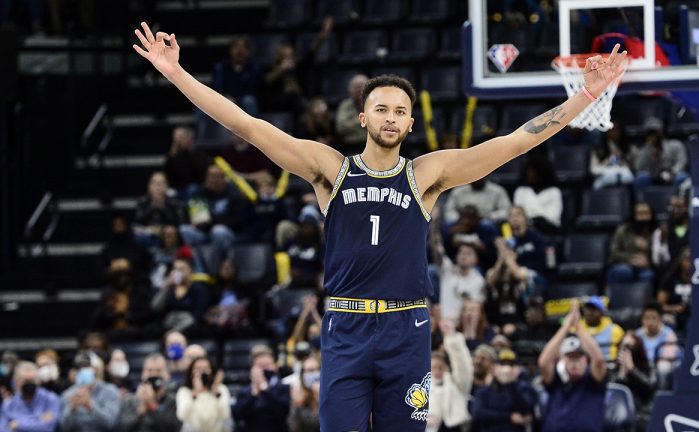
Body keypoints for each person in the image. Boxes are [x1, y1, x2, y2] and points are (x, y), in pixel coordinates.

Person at [132, 25, 627, 429]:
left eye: (401, 112)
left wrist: (587, 94)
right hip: (346, 327)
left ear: (411, 124)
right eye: (382, 109)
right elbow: (247, 126)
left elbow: (515, 143)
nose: (391, 118)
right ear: (363, 116)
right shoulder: (329, 166)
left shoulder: (427, 175)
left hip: (407, 327)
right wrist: (177, 74)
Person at [538, 300, 608, 432]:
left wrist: (578, 327)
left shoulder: (593, 382)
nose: (574, 362)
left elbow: (598, 360)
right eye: (570, 357)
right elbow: (543, 362)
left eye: (578, 357)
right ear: (562, 360)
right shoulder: (556, 382)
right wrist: (566, 326)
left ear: (586, 361)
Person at [180, 164, 244, 260]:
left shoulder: (233, 195)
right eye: (210, 176)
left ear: (224, 178)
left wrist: (210, 220)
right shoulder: (199, 193)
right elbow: (199, 220)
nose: (212, 180)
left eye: (216, 176)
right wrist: (202, 222)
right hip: (204, 233)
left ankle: (223, 262)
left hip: (226, 233)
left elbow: (236, 221)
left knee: (218, 231)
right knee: (184, 229)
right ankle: (197, 265)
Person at [471, 350, 535, 432]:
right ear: (495, 367)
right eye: (502, 364)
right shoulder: (483, 392)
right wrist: (509, 417)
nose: (506, 369)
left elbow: (527, 413)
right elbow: (478, 414)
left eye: (511, 365)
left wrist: (512, 382)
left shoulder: (524, 390)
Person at [426, 320, 473, 432]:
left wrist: (452, 338)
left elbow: (462, 364)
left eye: (440, 367)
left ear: (448, 368)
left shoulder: (457, 383)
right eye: (434, 368)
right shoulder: (423, 388)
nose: (437, 371)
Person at [117, 353, 182, 432]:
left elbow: (173, 428)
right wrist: (140, 411)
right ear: (142, 374)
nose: (154, 374)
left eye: (159, 370)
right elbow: (123, 428)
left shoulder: (174, 401)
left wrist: (152, 406)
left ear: (167, 375)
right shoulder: (129, 400)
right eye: (149, 370)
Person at [232, 347, 291, 432]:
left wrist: (266, 390)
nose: (264, 370)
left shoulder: (284, 388)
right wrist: (253, 395)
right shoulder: (244, 391)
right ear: (252, 368)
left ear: (275, 366)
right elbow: (237, 415)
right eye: (260, 366)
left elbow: (283, 412)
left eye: (267, 365)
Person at [59, 352, 121, 432]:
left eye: (87, 366)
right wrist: (72, 409)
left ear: (96, 369)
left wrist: (90, 405)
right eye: (79, 367)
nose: (83, 370)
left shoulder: (110, 391)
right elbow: (64, 428)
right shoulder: (68, 394)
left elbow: (111, 424)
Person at [612, 332, 657, 431]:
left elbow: (649, 388)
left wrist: (632, 370)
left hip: (642, 411)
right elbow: (611, 394)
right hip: (618, 412)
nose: (626, 350)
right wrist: (622, 374)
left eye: (630, 346)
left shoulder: (648, 365)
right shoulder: (613, 369)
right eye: (623, 346)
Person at [606, 201, 657, 284]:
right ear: (634, 215)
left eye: (646, 213)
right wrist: (632, 258)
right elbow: (614, 253)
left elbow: (662, 256)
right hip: (624, 264)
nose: (643, 217)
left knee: (648, 275)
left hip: (647, 267)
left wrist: (648, 249)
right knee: (624, 271)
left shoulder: (656, 232)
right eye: (640, 214)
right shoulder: (623, 230)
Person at [0, 361, 59, 432]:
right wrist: (38, 420)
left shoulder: (51, 399)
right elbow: (3, 429)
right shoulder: (9, 404)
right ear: (16, 382)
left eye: (32, 380)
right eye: (25, 381)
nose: (29, 384)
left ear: (39, 381)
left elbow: (47, 427)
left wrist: (18, 424)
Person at [176, 356, 231, 432]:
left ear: (212, 371)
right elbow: (182, 416)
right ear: (191, 372)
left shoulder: (221, 389)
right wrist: (195, 394)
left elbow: (225, 415)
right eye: (198, 369)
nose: (202, 372)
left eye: (206, 368)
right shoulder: (184, 391)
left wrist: (216, 394)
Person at [133, 171, 186, 247]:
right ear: (149, 187)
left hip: (166, 233)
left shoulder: (173, 202)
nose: (158, 187)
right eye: (154, 183)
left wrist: (162, 207)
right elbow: (138, 221)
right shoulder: (142, 201)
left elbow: (179, 222)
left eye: (161, 184)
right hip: (147, 233)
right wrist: (152, 206)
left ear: (166, 187)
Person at [633, 117, 688, 188]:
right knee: (641, 177)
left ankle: (679, 198)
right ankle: (643, 199)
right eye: (650, 133)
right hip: (653, 178)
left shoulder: (675, 145)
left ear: (661, 132)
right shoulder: (644, 150)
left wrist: (673, 172)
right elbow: (638, 167)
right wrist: (648, 150)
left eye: (655, 132)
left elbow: (682, 162)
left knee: (682, 177)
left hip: (672, 176)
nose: (653, 136)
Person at [163, 127, 210, 196]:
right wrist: (172, 157)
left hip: (194, 185)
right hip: (176, 187)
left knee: (192, 189)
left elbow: (199, 173)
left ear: (188, 139)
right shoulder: (172, 155)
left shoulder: (197, 153)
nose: (177, 142)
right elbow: (167, 174)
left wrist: (188, 152)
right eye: (175, 139)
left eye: (180, 138)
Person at [443, 177, 512, 225]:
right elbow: (449, 212)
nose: (478, 178)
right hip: (462, 223)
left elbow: (506, 212)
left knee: (486, 225)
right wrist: (462, 219)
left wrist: (489, 216)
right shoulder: (458, 191)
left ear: (487, 174)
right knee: (448, 224)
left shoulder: (498, 191)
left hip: (487, 221)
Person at [580, 296, 625, 361]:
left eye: (594, 309)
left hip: (610, 366)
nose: (590, 312)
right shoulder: (575, 329)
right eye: (588, 309)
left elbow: (621, 353)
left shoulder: (616, 330)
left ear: (602, 312)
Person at [335, 74, 369, 152]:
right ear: (350, 90)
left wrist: (352, 124)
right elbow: (341, 127)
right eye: (356, 87)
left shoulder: (375, 104)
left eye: (361, 86)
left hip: (372, 146)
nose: (359, 90)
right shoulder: (344, 106)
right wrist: (364, 122)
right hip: (350, 147)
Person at [287, 355, 321, 432]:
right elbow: (294, 427)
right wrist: (297, 406)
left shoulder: (330, 394)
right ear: (303, 375)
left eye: (318, 369)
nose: (316, 373)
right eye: (311, 370)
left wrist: (319, 398)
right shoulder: (299, 394)